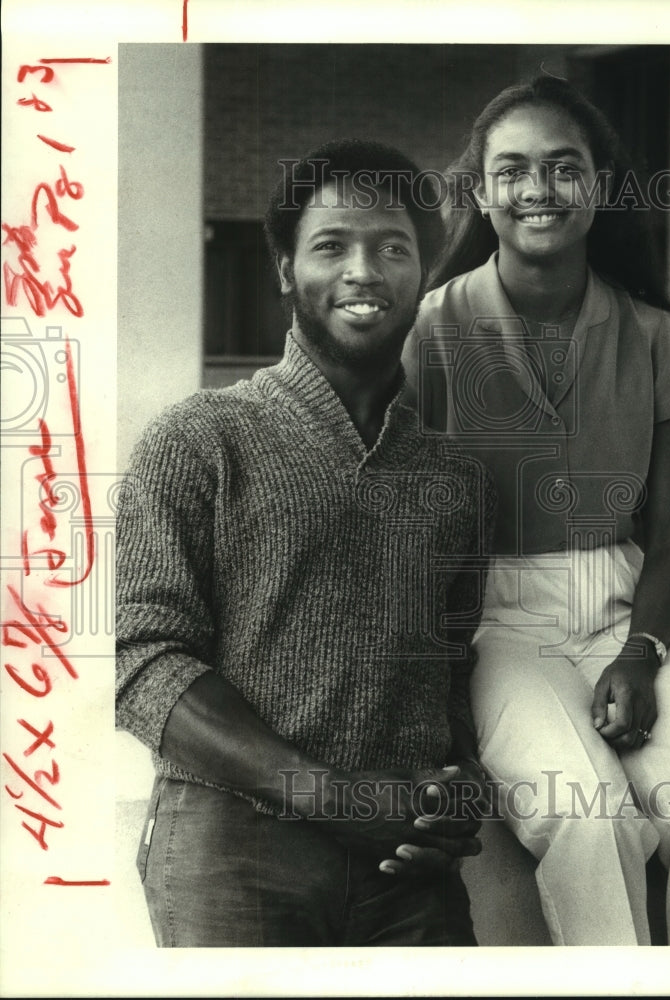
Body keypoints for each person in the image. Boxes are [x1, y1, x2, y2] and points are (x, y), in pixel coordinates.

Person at [115, 138, 496, 948]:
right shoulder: (198, 438)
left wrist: (462, 784)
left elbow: (449, 667)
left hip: (407, 873)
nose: (365, 270)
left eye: (394, 247)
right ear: (285, 268)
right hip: (233, 855)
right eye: (332, 245)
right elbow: (144, 665)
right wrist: (331, 797)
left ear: (422, 275)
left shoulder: (454, 475)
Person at [402, 76, 670, 946]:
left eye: (563, 167)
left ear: (598, 184)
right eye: (512, 170)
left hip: (631, 612)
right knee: (584, 814)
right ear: (482, 190)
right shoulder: (430, 329)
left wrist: (642, 652)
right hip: (494, 623)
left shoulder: (652, 334)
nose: (537, 189)